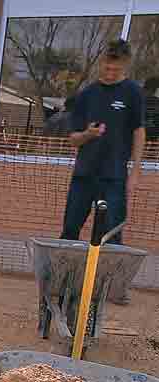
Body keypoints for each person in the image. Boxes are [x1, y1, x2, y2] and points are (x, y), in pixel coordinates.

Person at [61, 39, 146, 246]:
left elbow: (138, 131)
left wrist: (135, 170)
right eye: (107, 66)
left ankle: (107, 279)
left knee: (112, 235)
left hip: (114, 177)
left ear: (125, 64)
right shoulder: (86, 95)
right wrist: (88, 135)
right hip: (83, 176)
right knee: (70, 229)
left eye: (116, 69)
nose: (110, 72)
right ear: (101, 62)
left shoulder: (133, 92)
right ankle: (64, 277)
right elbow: (73, 139)